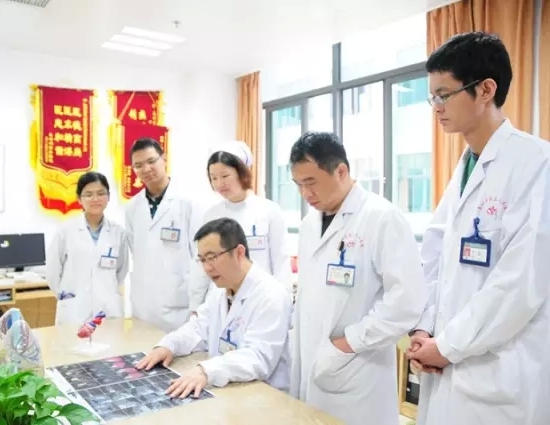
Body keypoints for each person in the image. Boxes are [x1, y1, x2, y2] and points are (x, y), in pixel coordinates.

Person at [406, 31, 550, 425]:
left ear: (486, 89)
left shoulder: (537, 164)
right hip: (448, 361)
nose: (436, 107)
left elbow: (520, 282)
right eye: (432, 97)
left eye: (444, 95)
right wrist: (424, 328)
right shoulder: (467, 165)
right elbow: (435, 256)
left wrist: (447, 346)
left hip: (499, 373)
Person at [287, 131, 427, 425]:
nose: (305, 194)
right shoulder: (309, 225)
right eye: (298, 185)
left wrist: (348, 343)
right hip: (313, 362)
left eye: (311, 182)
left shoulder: (381, 217)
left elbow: (407, 301)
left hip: (357, 369)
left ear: (341, 171)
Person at [135, 217, 291, 398]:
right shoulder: (220, 289)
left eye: (212, 258)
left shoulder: (271, 294)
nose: (207, 268)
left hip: (264, 396)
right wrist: (169, 346)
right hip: (230, 391)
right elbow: (198, 328)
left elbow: (258, 357)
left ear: (239, 252)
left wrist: (206, 371)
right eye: (202, 260)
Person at [124, 138, 208, 332]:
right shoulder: (132, 207)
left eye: (151, 161)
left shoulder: (189, 202)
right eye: (138, 165)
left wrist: (197, 304)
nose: (146, 169)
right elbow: (136, 252)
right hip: (143, 306)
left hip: (179, 306)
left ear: (164, 159)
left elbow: (200, 256)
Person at [203, 141, 291, 292]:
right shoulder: (211, 215)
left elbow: (281, 262)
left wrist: (283, 298)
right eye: (214, 178)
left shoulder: (269, 210)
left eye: (225, 176)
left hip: (261, 296)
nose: (219, 184)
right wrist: (196, 302)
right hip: (221, 298)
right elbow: (203, 265)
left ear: (242, 173)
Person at [46, 171, 129, 325]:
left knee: (110, 340)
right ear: (79, 199)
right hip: (74, 311)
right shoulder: (66, 231)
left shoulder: (118, 233)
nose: (95, 199)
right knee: (71, 341)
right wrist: (65, 297)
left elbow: (121, 271)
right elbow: (52, 272)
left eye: (101, 193)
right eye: (88, 194)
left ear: (108, 197)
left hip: (108, 310)